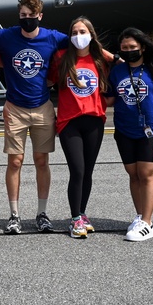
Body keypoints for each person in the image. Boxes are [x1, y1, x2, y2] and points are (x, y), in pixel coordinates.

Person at [0, 0, 68, 234]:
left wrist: (114, 57)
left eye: (32, 15)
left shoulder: (52, 37)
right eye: (23, 15)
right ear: (18, 15)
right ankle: (14, 215)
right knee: (15, 161)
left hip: (42, 107)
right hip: (15, 107)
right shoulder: (6, 35)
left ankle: (42, 213)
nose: (27, 19)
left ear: (40, 16)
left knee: (41, 161)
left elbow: (82, 42)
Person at [107, 28, 153, 242]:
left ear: (142, 47)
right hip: (124, 129)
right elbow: (108, 99)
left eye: (133, 47)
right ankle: (139, 216)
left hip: (150, 130)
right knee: (133, 174)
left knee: (146, 174)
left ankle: (147, 221)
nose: (129, 51)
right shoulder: (117, 72)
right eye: (124, 48)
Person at [49, 17, 109, 240]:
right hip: (69, 122)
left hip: (94, 120)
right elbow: (47, 80)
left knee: (88, 171)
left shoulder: (100, 59)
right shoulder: (61, 58)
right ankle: (75, 219)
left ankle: (82, 214)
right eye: (74, 32)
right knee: (78, 170)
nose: (78, 36)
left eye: (82, 31)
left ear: (91, 34)